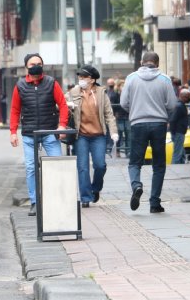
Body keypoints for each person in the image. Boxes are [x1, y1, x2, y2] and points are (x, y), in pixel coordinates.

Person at [9, 53, 69, 216]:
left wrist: (61, 126)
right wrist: (13, 132)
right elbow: (15, 110)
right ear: (26, 67)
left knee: (57, 165)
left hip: (50, 132)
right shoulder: (20, 86)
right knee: (30, 168)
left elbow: (63, 105)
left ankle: (58, 199)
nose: (36, 66)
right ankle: (35, 202)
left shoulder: (51, 83)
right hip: (30, 134)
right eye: (32, 63)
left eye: (39, 63)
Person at [120, 51, 178, 213]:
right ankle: (154, 203)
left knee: (134, 162)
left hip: (138, 124)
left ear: (141, 61)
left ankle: (136, 185)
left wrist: (136, 109)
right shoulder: (165, 79)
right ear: (157, 63)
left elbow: (124, 102)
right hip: (159, 124)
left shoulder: (131, 78)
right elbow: (173, 105)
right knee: (159, 165)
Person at [68, 65, 117, 207]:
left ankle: (95, 189)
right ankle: (85, 197)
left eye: (84, 77)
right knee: (82, 167)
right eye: (79, 77)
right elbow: (65, 108)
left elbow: (109, 114)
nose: (81, 79)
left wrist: (113, 132)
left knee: (100, 165)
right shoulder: (74, 92)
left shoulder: (101, 93)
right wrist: (68, 106)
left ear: (92, 79)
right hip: (81, 135)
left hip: (98, 136)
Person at [169, 89, 190, 164]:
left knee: (181, 152)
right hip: (178, 132)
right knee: (177, 153)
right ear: (183, 96)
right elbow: (172, 120)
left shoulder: (180, 105)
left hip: (179, 131)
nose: (189, 98)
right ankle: (175, 167)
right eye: (188, 97)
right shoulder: (179, 106)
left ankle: (181, 164)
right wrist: (173, 133)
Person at [112, 79, 129, 157]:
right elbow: (113, 106)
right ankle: (117, 150)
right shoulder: (115, 94)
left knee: (128, 133)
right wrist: (115, 114)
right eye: (122, 85)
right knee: (119, 133)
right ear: (118, 87)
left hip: (128, 116)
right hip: (119, 116)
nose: (123, 87)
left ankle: (128, 151)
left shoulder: (128, 94)